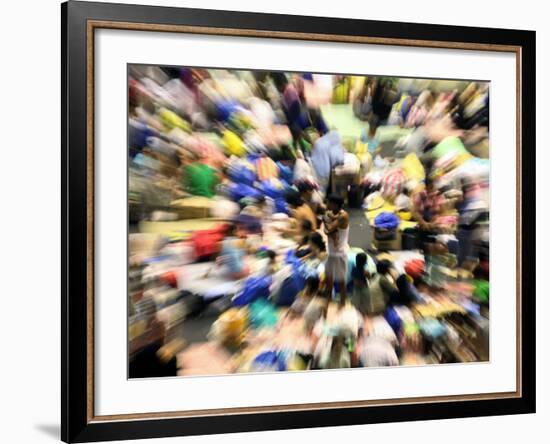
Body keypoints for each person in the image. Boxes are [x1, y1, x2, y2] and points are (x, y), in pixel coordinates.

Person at [323, 195, 350, 308]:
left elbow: (328, 229)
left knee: (341, 281)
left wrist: (326, 222)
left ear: (335, 204)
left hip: (339, 254)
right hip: (331, 252)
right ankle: (328, 300)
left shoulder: (343, 216)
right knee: (329, 278)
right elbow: (328, 228)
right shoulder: (334, 214)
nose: (327, 205)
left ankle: (342, 303)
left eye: (329, 202)